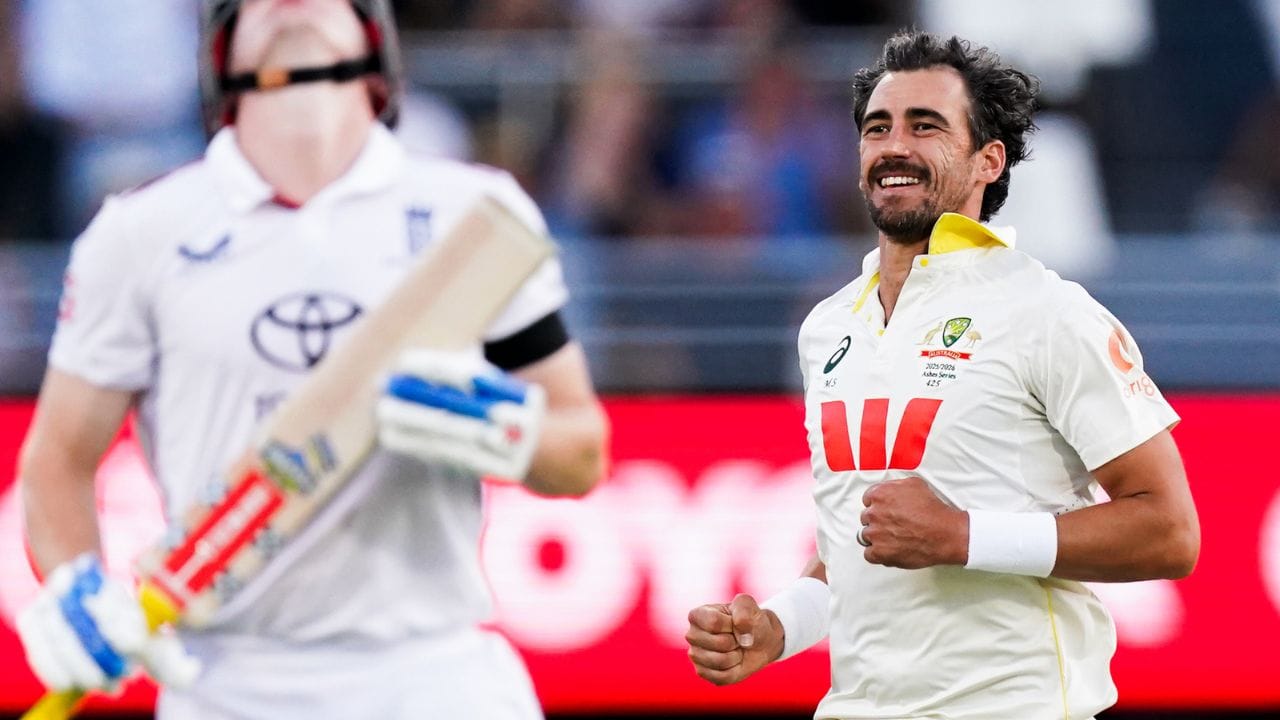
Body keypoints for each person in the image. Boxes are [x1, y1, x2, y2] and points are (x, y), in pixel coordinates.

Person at [14, 1, 608, 718]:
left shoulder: (475, 217)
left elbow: (582, 451)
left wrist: (508, 429)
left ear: (374, 36)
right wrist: (75, 590)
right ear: (222, 51)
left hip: (437, 674)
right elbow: (57, 461)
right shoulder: (140, 235)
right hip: (223, 681)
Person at [685, 30, 1199, 720]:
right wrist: (779, 627)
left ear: (989, 160)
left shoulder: (1046, 311)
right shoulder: (828, 326)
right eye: (877, 128)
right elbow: (855, 544)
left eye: (925, 126)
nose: (894, 146)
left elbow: (1170, 532)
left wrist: (962, 535)